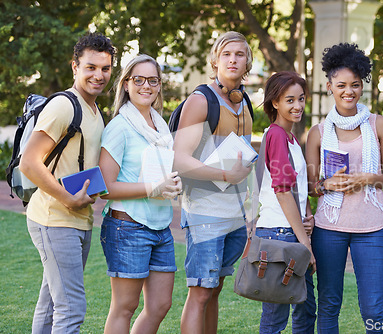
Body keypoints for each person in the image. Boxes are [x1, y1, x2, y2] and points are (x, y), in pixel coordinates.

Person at [19, 32, 115, 333]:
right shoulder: (63, 106)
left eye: (105, 68)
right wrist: (67, 198)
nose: (98, 75)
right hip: (54, 218)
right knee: (71, 310)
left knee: (50, 306)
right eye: (90, 67)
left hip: (76, 218)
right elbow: (29, 162)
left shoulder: (96, 111)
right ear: (75, 67)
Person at [306, 43, 383, 333]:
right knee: (329, 303)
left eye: (355, 85)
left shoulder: (378, 124)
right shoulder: (317, 133)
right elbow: (311, 186)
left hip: (370, 227)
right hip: (329, 227)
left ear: (362, 86)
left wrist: (364, 179)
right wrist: (324, 184)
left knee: (373, 307)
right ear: (329, 86)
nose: (349, 91)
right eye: (341, 85)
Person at [173, 31, 253, 334]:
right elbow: (179, 159)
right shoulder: (201, 100)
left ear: (247, 62)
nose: (233, 60)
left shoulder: (244, 101)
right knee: (200, 291)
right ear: (215, 60)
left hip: (234, 212)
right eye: (226, 54)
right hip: (204, 212)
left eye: (240, 54)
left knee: (215, 288)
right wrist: (223, 174)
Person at [99, 54, 182, 333]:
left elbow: (158, 172)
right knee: (124, 307)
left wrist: (172, 183)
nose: (146, 86)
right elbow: (105, 188)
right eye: (138, 79)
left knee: (160, 305)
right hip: (127, 226)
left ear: (159, 86)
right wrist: (152, 188)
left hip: (160, 227)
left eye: (152, 80)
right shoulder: (119, 128)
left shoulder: (160, 127)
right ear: (125, 84)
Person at [255, 71, 317, 333]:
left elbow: (296, 188)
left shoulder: (290, 138)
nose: (298, 105)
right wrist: (305, 242)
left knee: (305, 308)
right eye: (289, 100)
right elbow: (281, 191)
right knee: (276, 315)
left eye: (301, 99)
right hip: (280, 234)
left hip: (290, 230)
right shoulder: (277, 135)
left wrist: (307, 213)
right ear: (275, 103)